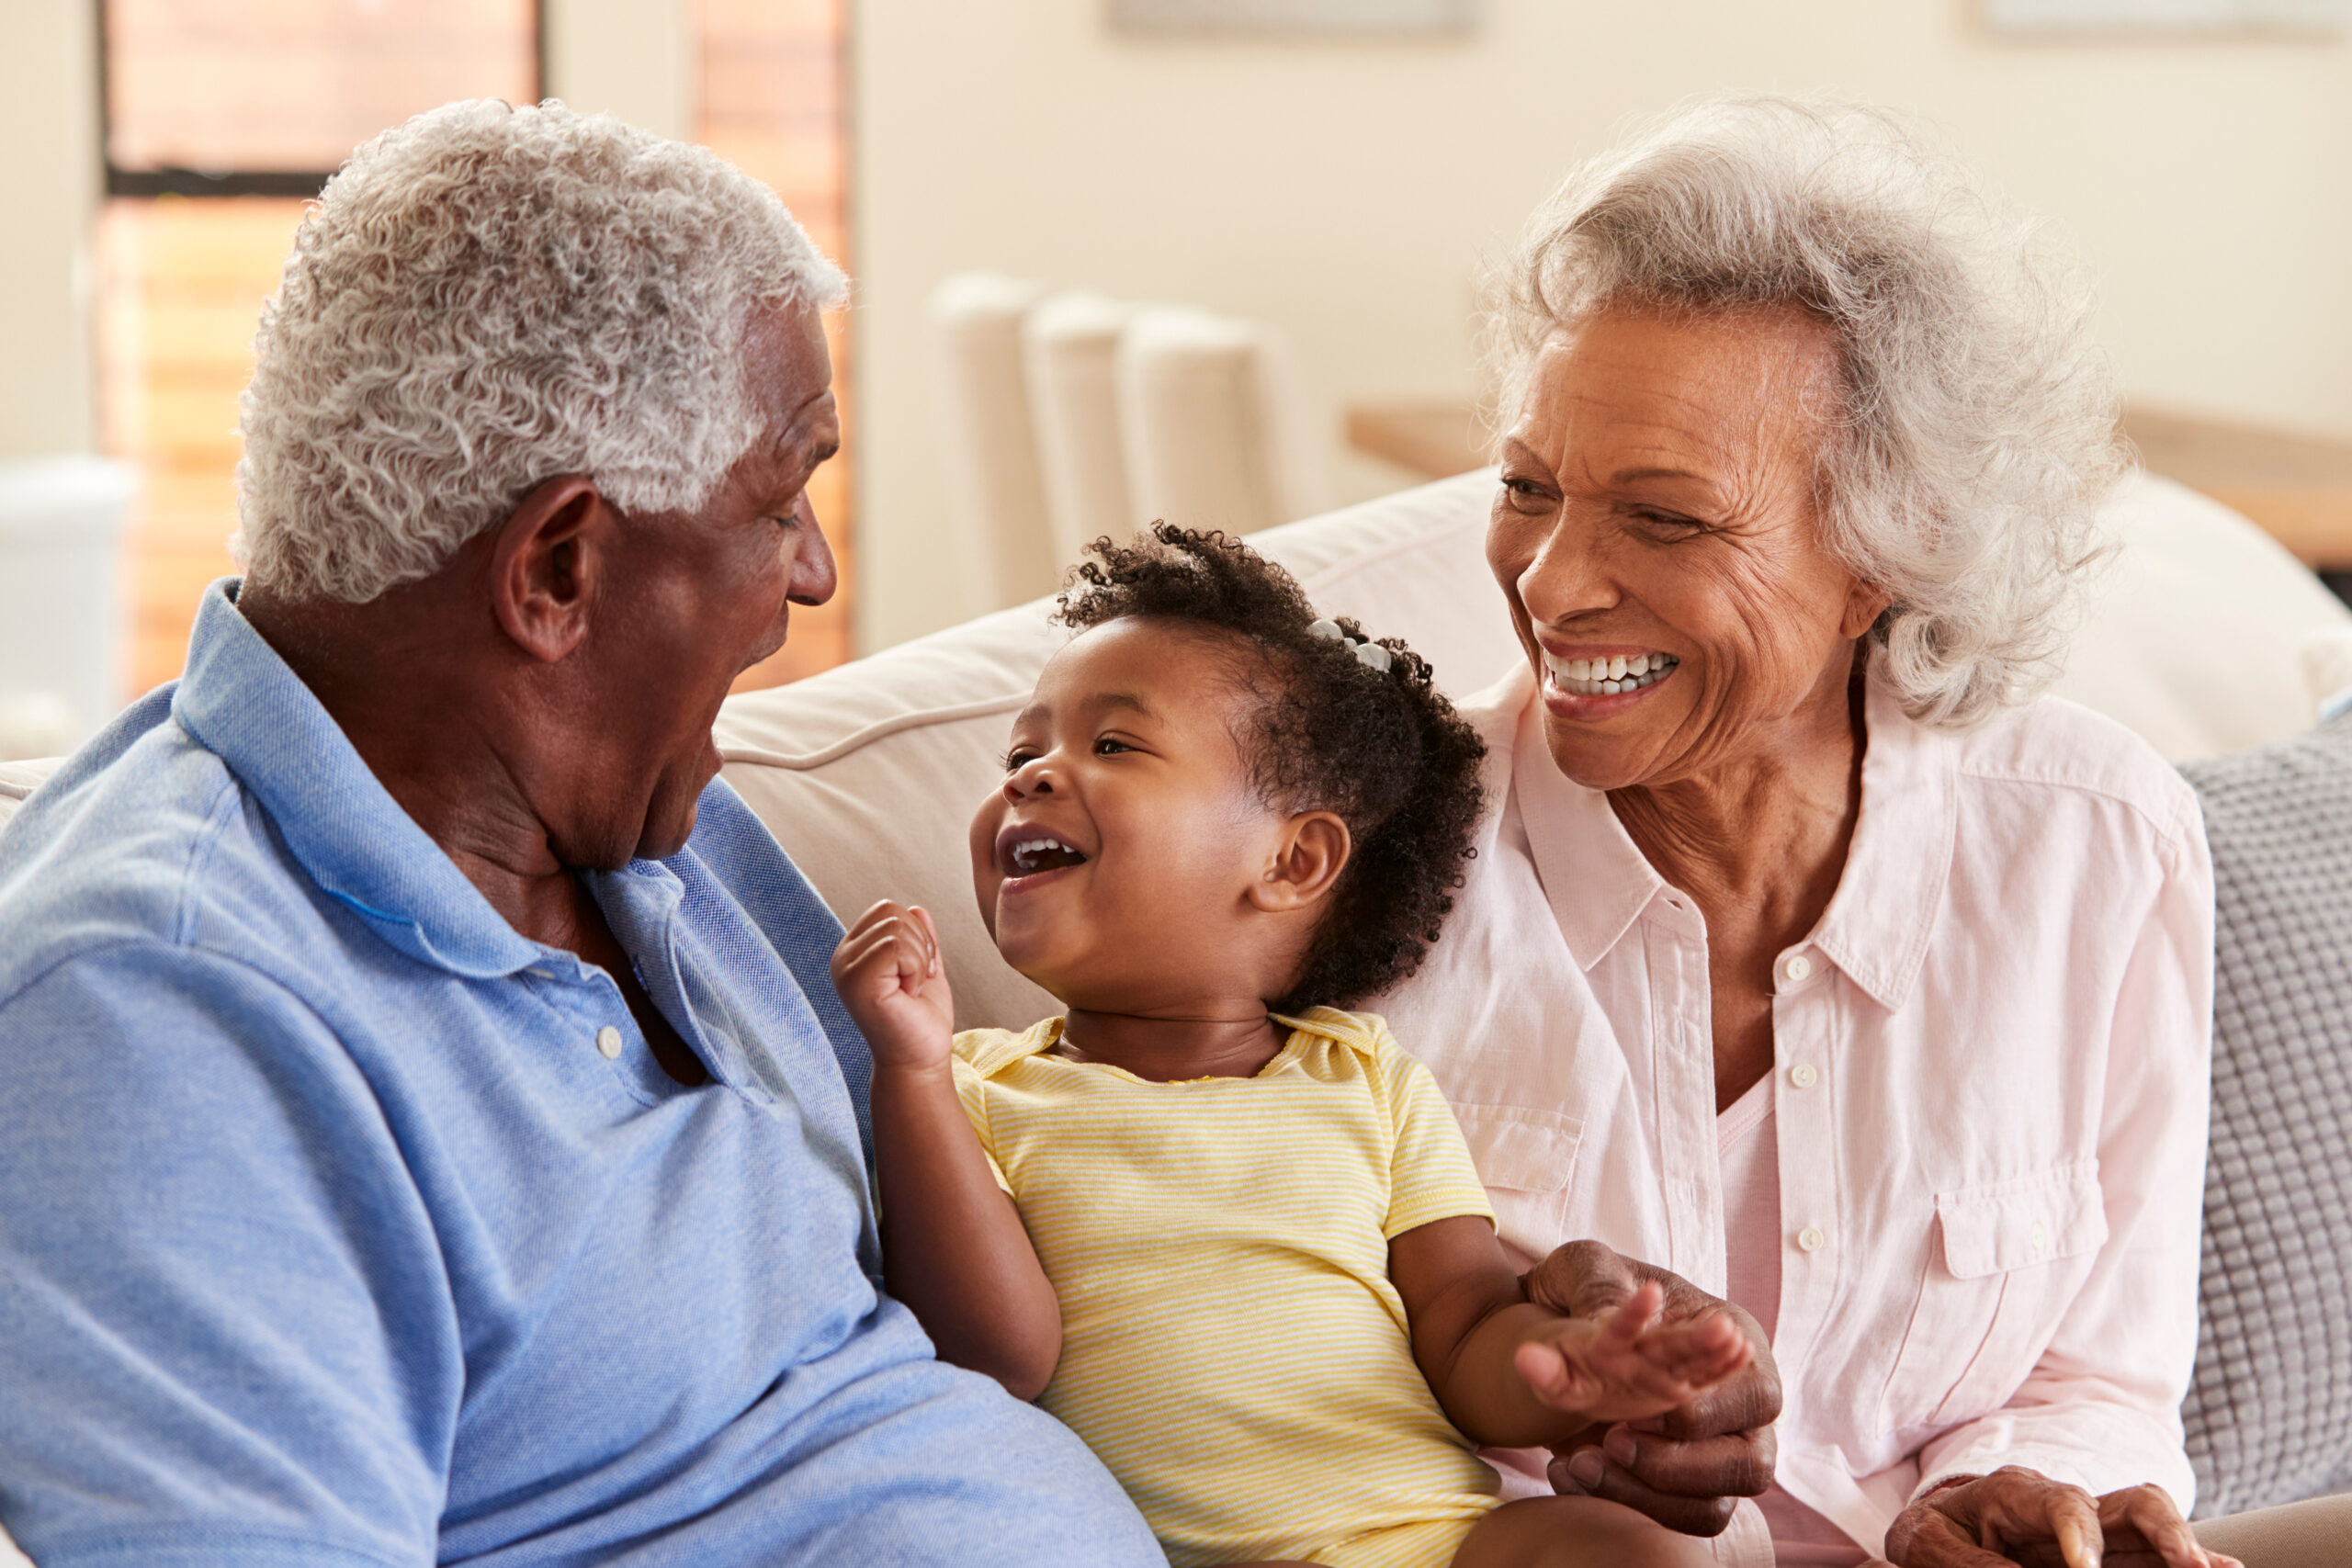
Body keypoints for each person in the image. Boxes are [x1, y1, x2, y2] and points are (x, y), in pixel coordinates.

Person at [0, 100, 1161, 1567]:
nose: (815, 570)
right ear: (560, 566)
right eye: (784, 490)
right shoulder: (155, 1012)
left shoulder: (648, 823)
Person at [1377, 96, 2351, 1568]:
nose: (1555, 582)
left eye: (1665, 517)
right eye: (1530, 490)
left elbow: (2096, 1374)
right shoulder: (1371, 864)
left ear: (1886, 560)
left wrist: (2029, 1490)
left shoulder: (2095, 840)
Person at [830, 525, 1757, 1568]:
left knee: (1640, 1551)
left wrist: (1571, 1369)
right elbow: (998, 1357)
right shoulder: (974, 1088)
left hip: (1433, 1541)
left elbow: (1461, 1332)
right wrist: (908, 1067)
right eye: (1019, 754)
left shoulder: (1368, 1079)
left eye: (1114, 745)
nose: (1033, 777)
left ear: (1293, 859)